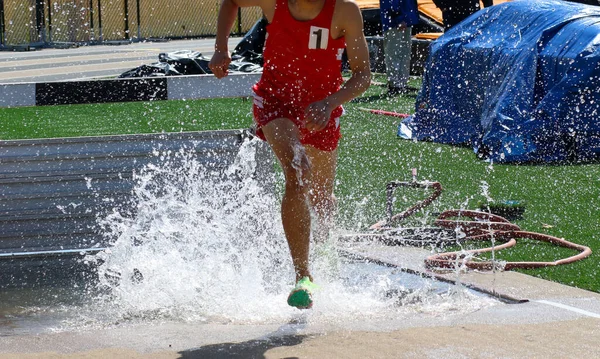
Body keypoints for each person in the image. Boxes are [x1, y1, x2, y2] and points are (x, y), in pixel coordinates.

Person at [209, 0, 371, 309]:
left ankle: (325, 251)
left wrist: (329, 103)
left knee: (323, 197)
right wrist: (221, 48)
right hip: (276, 102)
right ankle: (302, 275)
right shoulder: (274, 3)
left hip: (321, 107)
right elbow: (231, 1)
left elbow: (363, 76)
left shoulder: (344, 11)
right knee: (298, 173)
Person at [379, 0, 420, 95]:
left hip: (405, 19)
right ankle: (394, 85)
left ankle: (402, 83)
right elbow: (389, 3)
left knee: (404, 54)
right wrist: (399, 18)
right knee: (393, 53)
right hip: (394, 22)